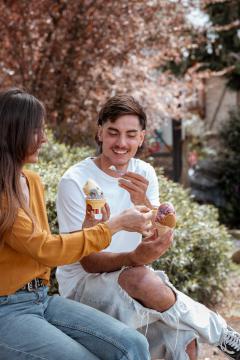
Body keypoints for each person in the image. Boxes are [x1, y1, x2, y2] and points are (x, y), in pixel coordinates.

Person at [56, 94, 240, 360]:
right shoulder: (76, 181)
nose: (121, 143)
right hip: (84, 286)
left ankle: (221, 335)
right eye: (113, 133)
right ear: (99, 133)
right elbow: (86, 262)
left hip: (134, 280)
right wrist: (133, 258)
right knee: (139, 276)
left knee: (183, 345)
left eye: (131, 135)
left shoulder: (144, 173)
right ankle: (222, 334)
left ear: (142, 137)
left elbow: (153, 242)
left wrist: (145, 205)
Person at [0, 88, 156, 360]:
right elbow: (46, 250)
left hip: (40, 299)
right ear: (15, 131)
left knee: (133, 345)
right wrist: (114, 225)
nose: (44, 139)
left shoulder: (31, 182)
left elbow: (45, 249)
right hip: (5, 310)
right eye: (37, 130)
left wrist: (89, 227)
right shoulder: (2, 195)